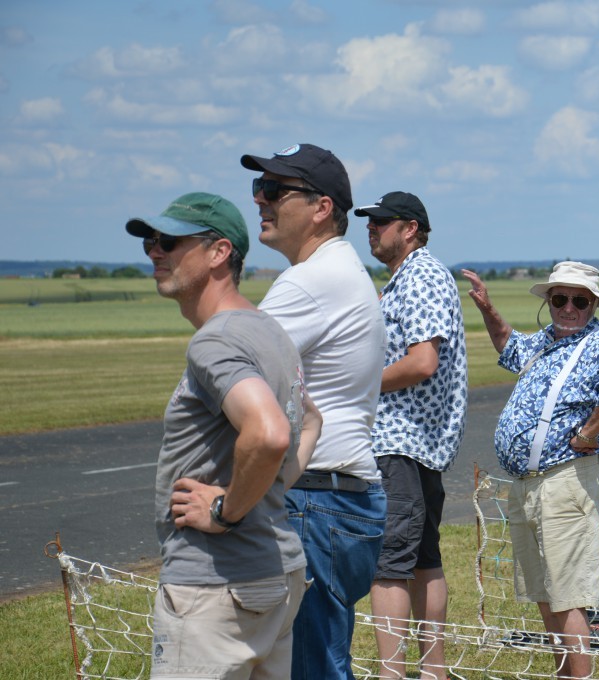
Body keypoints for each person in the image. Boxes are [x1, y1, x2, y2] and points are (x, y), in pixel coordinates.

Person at [127, 192, 318, 678]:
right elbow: (311, 420)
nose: (154, 251)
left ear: (219, 252)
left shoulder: (215, 339)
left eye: (169, 241)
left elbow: (272, 433)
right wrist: (270, 488)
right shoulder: (270, 332)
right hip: (276, 574)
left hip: (215, 585)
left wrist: (224, 510)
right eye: (151, 240)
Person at [241, 143, 388, 680]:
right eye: (260, 188)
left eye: (276, 191)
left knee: (306, 669)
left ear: (322, 207)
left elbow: (228, 366)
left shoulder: (310, 281)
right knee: (319, 662)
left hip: (315, 502)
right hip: (341, 499)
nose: (261, 200)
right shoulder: (342, 270)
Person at [463, 262, 599, 680]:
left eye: (580, 300)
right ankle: (563, 673)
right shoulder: (544, 341)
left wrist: (588, 435)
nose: (569, 308)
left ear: (593, 305)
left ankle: (580, 676)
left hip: (564, 479)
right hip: (527, 485)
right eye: (560, 299)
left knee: (567, 593)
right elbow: (508, 347)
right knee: (543, 590)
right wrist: (487, 308)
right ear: (549, 301)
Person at [357, 191, 468, 680]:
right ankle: (433, 671)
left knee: (390, 561)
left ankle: (392, 673)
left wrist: (357, 384)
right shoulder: (412, 277)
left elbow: (423, 361)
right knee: (424, 556)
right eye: (369, 221)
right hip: (419, 440)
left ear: (410, 228)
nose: (371, 229)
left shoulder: (420, 275)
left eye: (381, 222)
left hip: (400, 437)